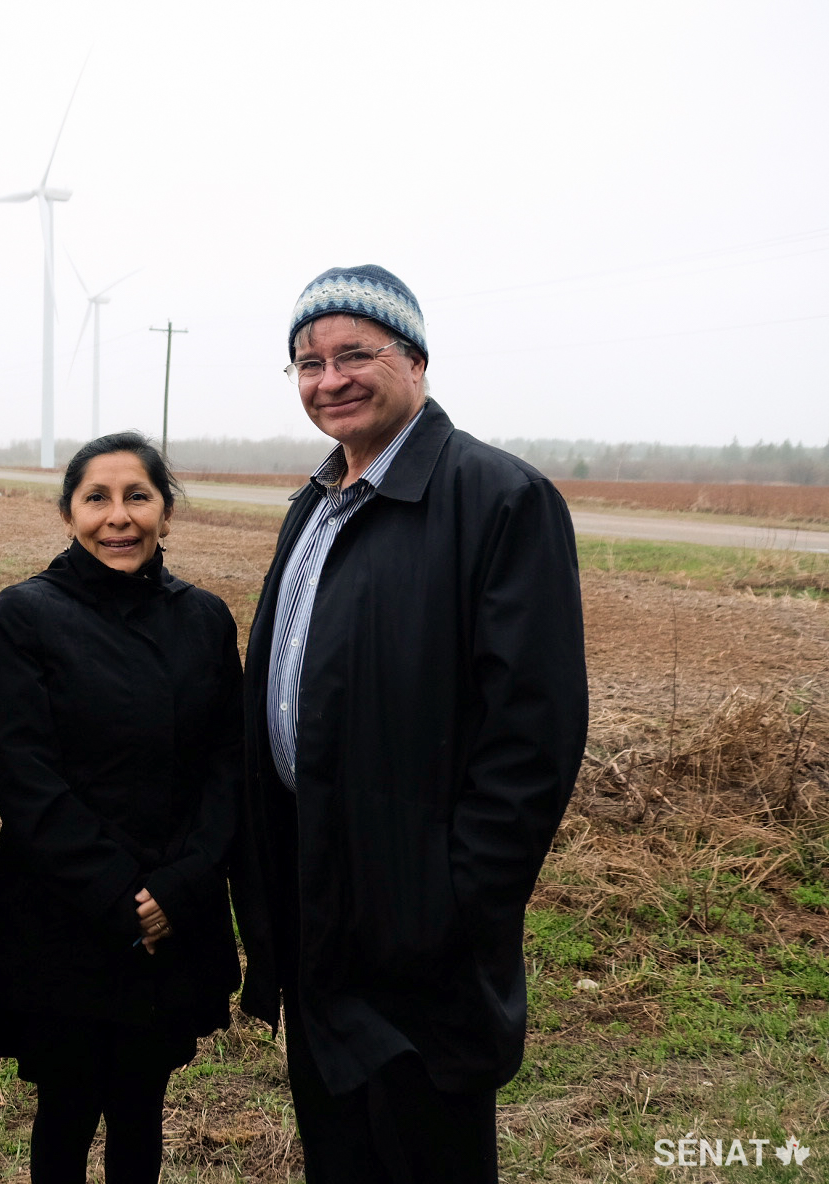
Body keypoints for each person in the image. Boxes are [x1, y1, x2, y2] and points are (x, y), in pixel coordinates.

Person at [233, 265, 588, 1182]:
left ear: (417, 360)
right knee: (339, 1149)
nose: (331, 379)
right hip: (316, 895)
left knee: (425, 1150)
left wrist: (453, 899)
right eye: (309, 362)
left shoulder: (499, 499)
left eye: (356, 353)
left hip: (421, 927)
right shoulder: (315, 507)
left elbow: (535, 738)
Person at [0, 432, 244, 1184]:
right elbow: (26, 778)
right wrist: (123, 897)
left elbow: (229, 768)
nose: (118, 517)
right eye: (97, 498)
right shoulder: (28, 613)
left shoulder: (206, 618)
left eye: (137, 497)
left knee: (141, 1107)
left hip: (174, 912)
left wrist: (181, 886)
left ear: (166, 512)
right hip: (67, 918)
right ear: (69, 514)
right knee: (65, 1111)